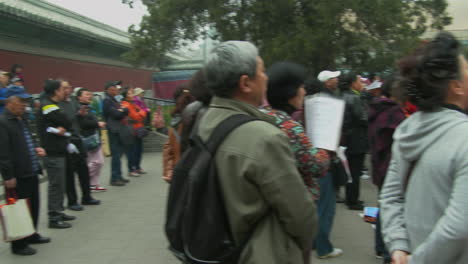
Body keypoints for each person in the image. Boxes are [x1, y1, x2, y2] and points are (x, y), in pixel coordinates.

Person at [196, 41, 316, 264]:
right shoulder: (264, 137)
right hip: (258, 253)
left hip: (215, 247)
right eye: (261, 71)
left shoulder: (205, 122)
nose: (266, 77)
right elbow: (299, 214)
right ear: (245, 83)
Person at [381, 32, 468, 264]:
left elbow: (390, 196)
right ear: (457, 86)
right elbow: (459, 226)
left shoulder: (408, 129)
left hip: (408, 253)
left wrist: (398, 247)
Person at [262, 62, 330, 262]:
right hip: (295, 206)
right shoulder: (291, 127)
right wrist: (325, 149)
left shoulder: (263, 117)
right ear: (290, 92)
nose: (304, 91)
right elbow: (317, 166)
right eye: (301, 86)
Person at [0, 86, 50, 256]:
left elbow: (30, 139)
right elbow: (3, 152)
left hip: (31, 168)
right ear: (9, 102)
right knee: (18, 208)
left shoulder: (22, 119)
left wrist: (37, 148)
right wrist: (8, 175)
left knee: (34, 204)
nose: (24, 104)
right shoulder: (3, 122)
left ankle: (32, 233)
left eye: (25, 101)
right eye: (20, 101)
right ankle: (19, 244)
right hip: (17, 174)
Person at [367, 75, 406, 264]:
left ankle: (380, 246)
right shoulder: (394, 113)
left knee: (384, 204)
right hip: (388, 167)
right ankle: (385, 248)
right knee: (389, 207)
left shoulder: (377, 108)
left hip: (378, 164)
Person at [37, 79, 76, 229]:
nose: (64, 92)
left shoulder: (54, 105)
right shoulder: (48, 105)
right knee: (56, 184)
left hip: (59, 149)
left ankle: (59, 211)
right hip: (52, 151)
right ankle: (54, 216)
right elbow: (65, 121)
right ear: (55, 91)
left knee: (61, 183)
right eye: (62, 89)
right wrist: (63, 127)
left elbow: (66, 124)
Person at [59, 80, 100, 211]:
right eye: (64, 88)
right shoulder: (56, 105)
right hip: (66, 142)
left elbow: (78, 121)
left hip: (78, 139)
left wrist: (80, 115)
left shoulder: (72, 103)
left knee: (83, 171)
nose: (68, 90)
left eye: (69, 87)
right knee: (70, 174)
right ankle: (72, 201)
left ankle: (86, 196)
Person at [339, 72, 368, 210]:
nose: (361, 83)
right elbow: (362, 118)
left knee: (349, 170)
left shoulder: (341, 96)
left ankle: (350, 198)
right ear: (352, 83)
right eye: (358, 81)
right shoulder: (354, 98)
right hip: (356, 138)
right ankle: (353, 200)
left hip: (346, 138)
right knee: (355, 172)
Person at [76, 88, 107, 192]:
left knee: (97, 162)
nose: (89, 96)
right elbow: (82, 124)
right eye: (86, 94)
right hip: (87, 138)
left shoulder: (88, 107)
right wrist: (97, 123)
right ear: (79, 97)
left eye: (90, 94)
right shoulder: (79, 108)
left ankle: (93, 185)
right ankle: (83, 178)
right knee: (98, 162)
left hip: (94, 137)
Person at [162, 84, 195, 182]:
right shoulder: (201, 118)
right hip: (198, 172)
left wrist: (168, 171)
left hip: (179, 171)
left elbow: (168, 149)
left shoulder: (175, 122)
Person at [102, 80, 130, 186]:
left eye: (115, 89)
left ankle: (119, 175)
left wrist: (122, 110)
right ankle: (114, 178)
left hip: (119, 129)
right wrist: (121, 111)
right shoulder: (107, 101)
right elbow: (115, 114)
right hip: (113, 130)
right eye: (111, 89)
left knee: (119, 154)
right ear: (107, 90)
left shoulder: (115, 100)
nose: (114, 91)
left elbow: (126, 111)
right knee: (116, 155)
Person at [120, 87, 147, 177]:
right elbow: (137, 117)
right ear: (126, 96)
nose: (133, 95)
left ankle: (137, 167)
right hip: (131, 130)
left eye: (132, 93)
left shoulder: (132, 104)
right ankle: (131, 169)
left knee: (139, 149)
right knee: (132, 151)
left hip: (138, 129)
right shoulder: (126, 105)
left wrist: (140, 113)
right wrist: (140, 113)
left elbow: (143, 111)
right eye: (130, 93)